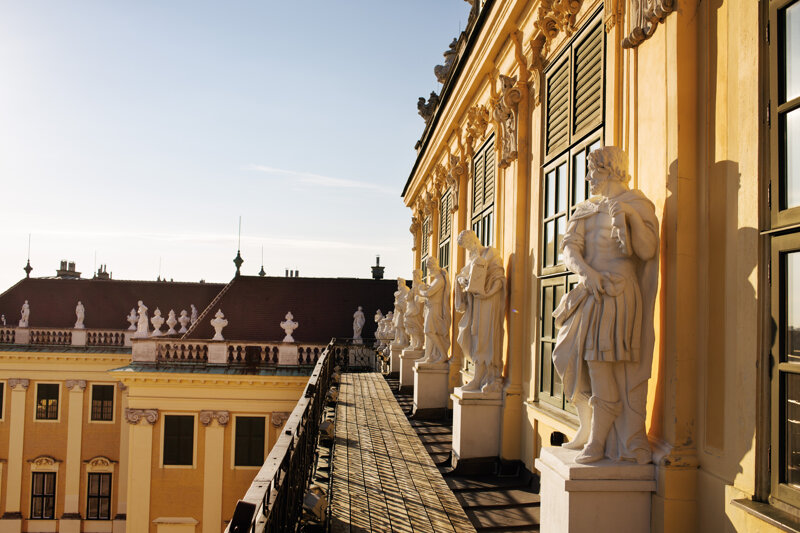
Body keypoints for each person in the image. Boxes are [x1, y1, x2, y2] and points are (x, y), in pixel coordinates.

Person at [552, 146, 659, 465]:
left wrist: (631, 218)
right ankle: (589, 430)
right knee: (566, 356)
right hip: (591, 293)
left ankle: (599, 442)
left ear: (611, 171)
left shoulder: (637, 204)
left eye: (593, 171)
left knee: (601, 364)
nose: (588, 178)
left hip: (618, 295)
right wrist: (587, 273)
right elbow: (570, 249)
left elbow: (648, 251)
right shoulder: (585, 209)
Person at [455, 230, 506, 393]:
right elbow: (462, 276)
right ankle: (478, 377)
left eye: (468, 244)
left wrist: (488, 294)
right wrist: (462, 280)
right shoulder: (472, 259)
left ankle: (489, 377)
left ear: (474, 240)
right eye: (465, 247)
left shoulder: (491, 253)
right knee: (474, 336)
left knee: (486, 338)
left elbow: (499, 278)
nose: (468, 249)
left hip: (489, 304)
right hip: (476, 303)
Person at [418, 256, 451, 364]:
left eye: (429, 267)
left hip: (435, 309)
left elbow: (429, 293)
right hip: (430, 308)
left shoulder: (439, 280)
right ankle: (428, 356)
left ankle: (443, 355)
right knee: (429, 332)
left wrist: (420, 291)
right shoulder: (435, 280)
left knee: (429, 331)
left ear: (433, 267)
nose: (429, 270)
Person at [404, 270, 425, 351]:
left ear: (419, 276)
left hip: (416, 311)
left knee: (416, 326)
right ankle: (413, 343)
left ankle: (419, 343)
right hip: (411, 309)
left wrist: (416, 310)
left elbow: (419, 300)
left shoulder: (420, 286)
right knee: (409, 325)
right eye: (413, 276)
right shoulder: (414, 287)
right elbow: (408, 297)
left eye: (416, 276)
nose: (414, 278)